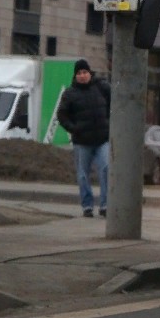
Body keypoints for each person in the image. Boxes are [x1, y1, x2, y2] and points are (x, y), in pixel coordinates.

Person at [56, 58, 111, 217]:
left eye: (85, 72)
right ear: (75, 76)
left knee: (106, 168)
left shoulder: (101, 88)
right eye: (79, 73)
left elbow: (115, 104)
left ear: (90, 73)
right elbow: (62, 114)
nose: (82, 75)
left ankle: (105, 205)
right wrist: (73, 129)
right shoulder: (70, 93)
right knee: (83, 174)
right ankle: (87, 206)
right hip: (82, 141)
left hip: (102, 139)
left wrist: (109, 125)